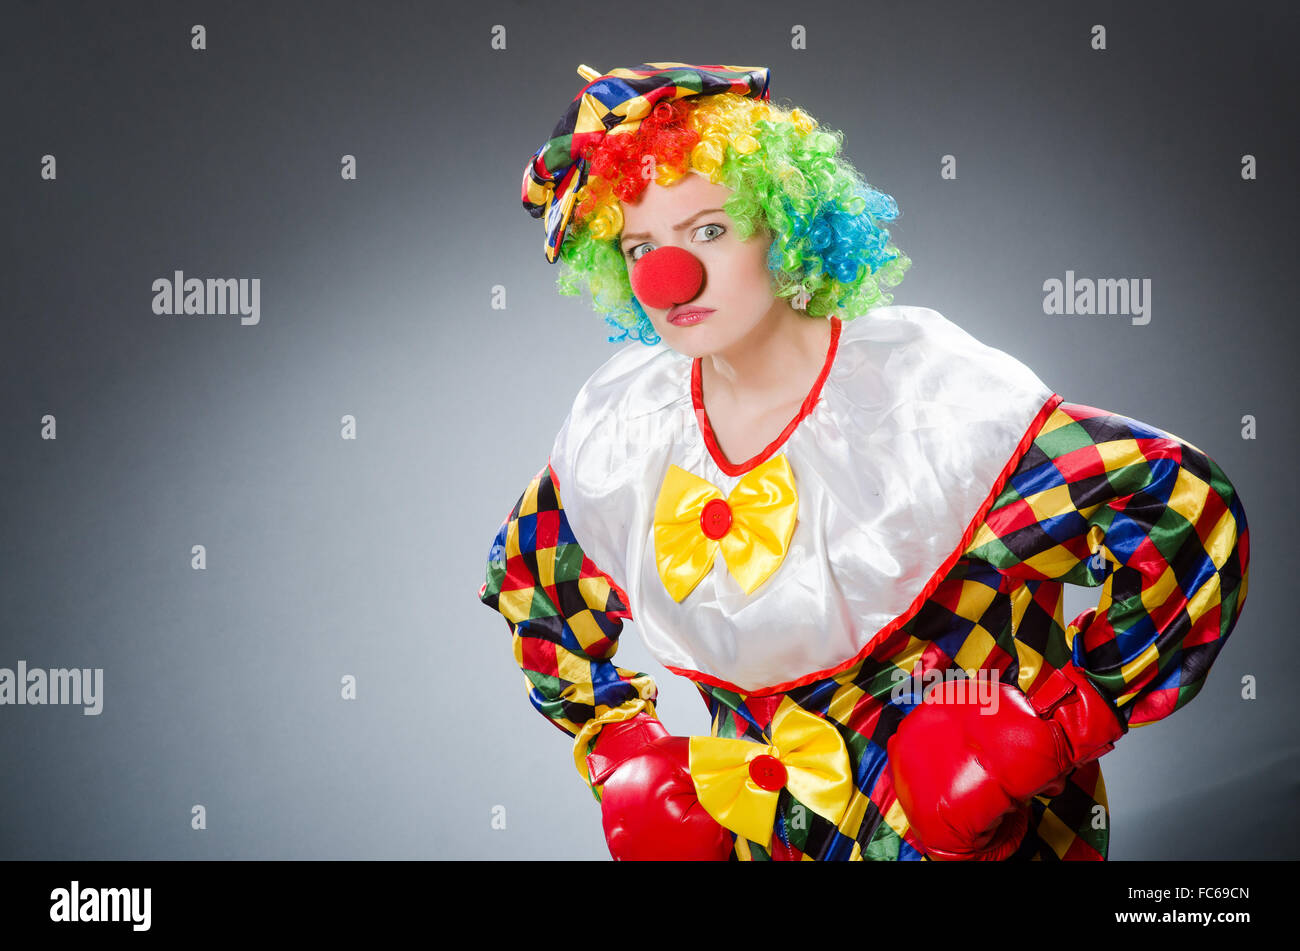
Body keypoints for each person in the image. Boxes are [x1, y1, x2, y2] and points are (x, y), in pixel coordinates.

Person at [478, 62, 1251, 861]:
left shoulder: (927, 405)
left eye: (709, 230)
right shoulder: (630, 430)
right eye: (640, 246)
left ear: (786, 220)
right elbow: (534, 582)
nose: (669, 278)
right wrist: (626, 751)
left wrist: (1054, 726)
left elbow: (1178, 510)